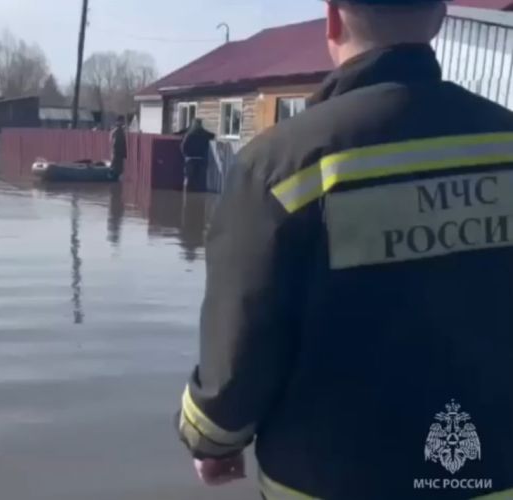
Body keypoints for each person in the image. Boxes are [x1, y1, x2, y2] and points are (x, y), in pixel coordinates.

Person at [175, 1, 513, 498]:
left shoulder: (279, 166)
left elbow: (243, 332)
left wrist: (212, 437)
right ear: (440, 17)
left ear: (332, 19)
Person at [180, 118, 216, 192]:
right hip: (200, 159)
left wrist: (185, 155)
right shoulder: (203, 134)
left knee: (190, 180)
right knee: (200, 181)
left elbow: (183, 147)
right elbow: (212, 135)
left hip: (191, 159)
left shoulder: (188, 134)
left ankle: (189, 198)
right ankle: (198, 199)